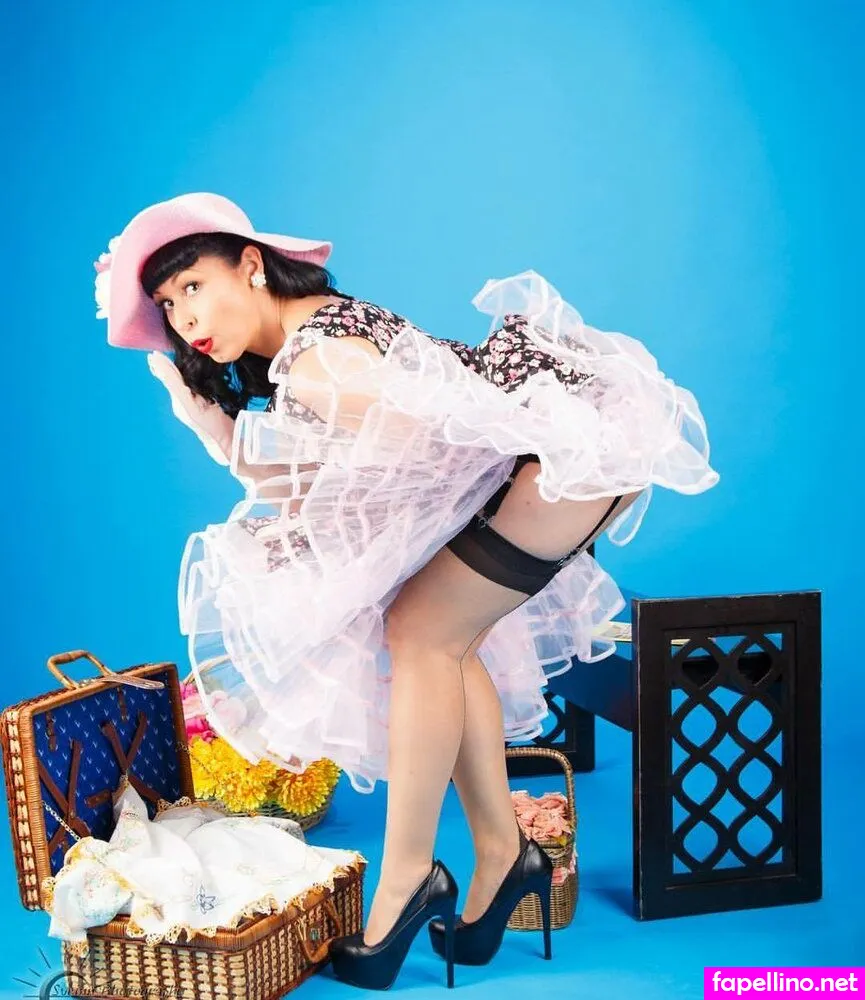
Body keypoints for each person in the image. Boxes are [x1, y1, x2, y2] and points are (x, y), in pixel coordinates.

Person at [97, 192, 720, 990]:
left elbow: (417, 452)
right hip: (559, 449)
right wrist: (226, 437)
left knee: (420, 634)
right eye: (166, 304)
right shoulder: (309, 340)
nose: (184, 318)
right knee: (440, 638)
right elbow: (371, 474)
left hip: (562, 453)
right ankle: (503, 854)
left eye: (193, 285)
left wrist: (229, 445)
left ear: (251, 265)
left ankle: (406, 882)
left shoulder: (317, 362)